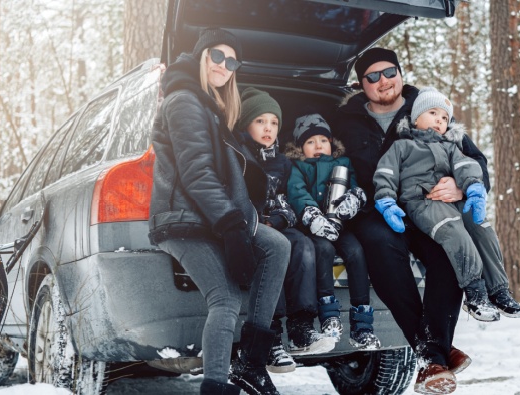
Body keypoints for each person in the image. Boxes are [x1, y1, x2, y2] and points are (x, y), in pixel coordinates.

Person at [329, 48, 518, 394]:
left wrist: (461, 186)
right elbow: (328, 165)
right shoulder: (344, 123)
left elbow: (473, 159)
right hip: (376, 210)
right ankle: (435, 352)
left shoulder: (430, 108)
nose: (383, 81)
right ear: (361, 84)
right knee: (381, 247)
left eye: (389, 72)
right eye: (372, 76)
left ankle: (433, 354)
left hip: (427, 205)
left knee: (449, 250)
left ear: (400, 73)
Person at [148, 28, 289, 395]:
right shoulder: (184, 101)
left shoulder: (210, 106)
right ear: (201, 57)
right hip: (183, 221)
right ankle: (215, 386)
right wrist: (231, 227)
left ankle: (251, 364)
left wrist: (242, 221)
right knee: (225, 299)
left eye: (232, 61)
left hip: (206, 217)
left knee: (278, 246)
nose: (225, 66)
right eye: (217, 57)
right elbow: (197, 173)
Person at [373, 87, 520, 323]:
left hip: (454, 202)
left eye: (444, 117)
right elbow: (385, 173)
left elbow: (467, 165)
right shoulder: (402, 146)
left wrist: (474, 188)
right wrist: (386, 201)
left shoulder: (450, 146)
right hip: (423, 203)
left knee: (481, 227)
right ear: (416, 118)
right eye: (432, 113)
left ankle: (498, 290)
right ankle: (475, 292)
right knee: (454, 231)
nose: (439, 120)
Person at [234, 88, 334, 372]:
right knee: (273, 251)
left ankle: (302, 326)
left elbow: (289, 201)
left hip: (276, 225)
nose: (268, 128)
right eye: (260, 121)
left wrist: (279, 219)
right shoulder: (237, 156)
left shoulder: (282, 162)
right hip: (248, 228)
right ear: (246, 124)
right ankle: (273, 334)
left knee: (302, 244)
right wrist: (258, 221)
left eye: (274, 123)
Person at [285, 113, 381, 350]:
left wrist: (355, 198)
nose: (318, 145)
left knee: (357, 253)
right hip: (314, 230)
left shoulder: (344, 163)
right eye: (310, 142)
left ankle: (362, 326)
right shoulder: (298, 167)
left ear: (332, 143)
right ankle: (329, 315)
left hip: (341, 226)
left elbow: (357, 186)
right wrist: (311, 215)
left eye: (323, 140)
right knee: (324, 251)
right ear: (300, 148)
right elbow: (297, 192)